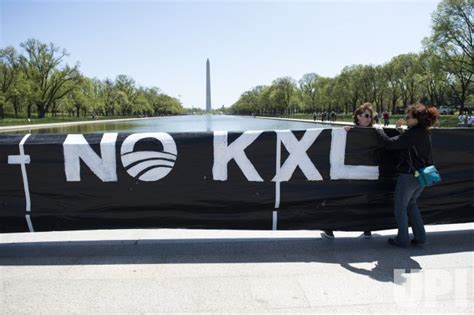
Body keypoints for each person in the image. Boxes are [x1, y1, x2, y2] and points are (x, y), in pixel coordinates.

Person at [375, 103, 439, 248]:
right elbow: (407, 143)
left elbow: (389, 144)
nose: (406, 119)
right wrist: (399, 130)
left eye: (408, 117)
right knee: (411, 204)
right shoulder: (423, 132)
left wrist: (379, 129)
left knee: (400, 207)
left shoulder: (413, 134)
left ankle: (402, 239)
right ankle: (421, 237)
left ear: (416, 119)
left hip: (409, 176)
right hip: (422, 176)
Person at [321, 102, 375, 240]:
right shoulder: (349, 131)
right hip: (349, 174)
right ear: (358, 117)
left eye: (371, 116)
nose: (369, 118)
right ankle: (330, 229)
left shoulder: (375, 132)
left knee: (363, 203)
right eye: (367, 116)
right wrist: (342, 132)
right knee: (343, 201)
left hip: (365, 175)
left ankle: (367, 229)